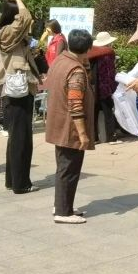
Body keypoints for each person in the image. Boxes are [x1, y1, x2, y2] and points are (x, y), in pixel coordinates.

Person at [44, 29, 96, 224]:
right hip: (70, 127)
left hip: (58, 123)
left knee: (63, 167)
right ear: (88, 49)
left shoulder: (60, 60)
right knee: (69, 169)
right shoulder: (76, 71)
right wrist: (83, 134)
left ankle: (61, 205)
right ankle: (63, 212)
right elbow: (75, 104)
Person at [0, 0, 39, 194]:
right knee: (21, 137)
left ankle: (13, 180)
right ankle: (21, 184)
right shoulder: (5, 33)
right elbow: (24, 19)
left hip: (18, 91)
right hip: (16, 92)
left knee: (17, 136)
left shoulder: (12, 35)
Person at [89, 31, 120, 143]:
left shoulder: (91, 53)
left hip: (93, 88)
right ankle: (111, 137)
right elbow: (109, 73)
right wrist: (112, 87)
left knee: (94, 113)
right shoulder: (108, 53)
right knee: (108, 113)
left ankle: (93, 138)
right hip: (104, 88)